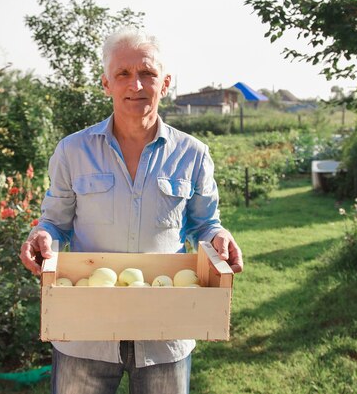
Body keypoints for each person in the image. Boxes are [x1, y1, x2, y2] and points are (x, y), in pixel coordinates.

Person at [19, 27, 243, 394]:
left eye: (147, 74)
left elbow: (205, 224)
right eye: (123, 74)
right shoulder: (73, 151)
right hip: (85, 332)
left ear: (165, 82)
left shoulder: (193, 154)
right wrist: (42, 235)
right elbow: (54, 223)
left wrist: (219, 237)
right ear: (106, 83)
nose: (135, 85)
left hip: (165, 331)